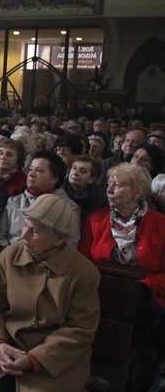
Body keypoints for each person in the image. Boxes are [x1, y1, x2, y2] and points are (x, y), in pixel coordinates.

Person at [0, 194, 100, 391]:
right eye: (25, 225)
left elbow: (80, 329)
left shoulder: (83, 273)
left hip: (55, 358)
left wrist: (34, 358)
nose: (23, 235)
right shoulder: (10, 256)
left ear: (59, 239)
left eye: (34, 231)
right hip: (6, 347)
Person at [79, 163, 165, 389]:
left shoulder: (160, 224)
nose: (109, 190)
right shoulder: (96, 219)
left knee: (138, 314)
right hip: (102, 289)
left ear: (138, 192)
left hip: (145, 295)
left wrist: (146, 286)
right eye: (109, 184)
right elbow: (83, 261)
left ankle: (130, 376)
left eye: (117, 185)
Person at [0, 150, 82, 246]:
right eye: (31, 169)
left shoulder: (68, 208)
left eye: (39, 170)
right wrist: (12, 256)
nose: (31, 174)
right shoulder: (14, 201)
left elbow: (69, 245)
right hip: (11, 256)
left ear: (54, 178)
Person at [64, 154, 109, 225]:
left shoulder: (99, 201)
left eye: (82, 171)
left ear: (91, 179)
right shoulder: (58, 187)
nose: (75, 173)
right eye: (74, 168)